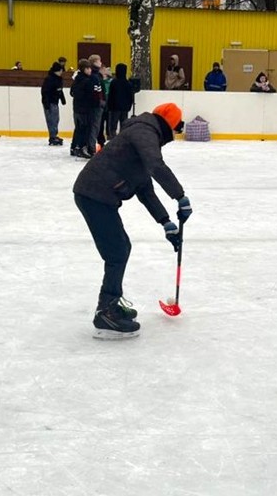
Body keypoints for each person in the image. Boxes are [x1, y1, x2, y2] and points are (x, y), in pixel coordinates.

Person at [72, 102, 191, 339]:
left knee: (121, 248)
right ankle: (106, 313)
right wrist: (180, 196)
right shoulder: (144, 132)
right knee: (117, 252)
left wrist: (166, 223)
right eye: (177, 128)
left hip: (97, 194)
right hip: (94, 194)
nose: (175, 134)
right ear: (169, 125)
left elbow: (145, 188)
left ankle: (112, 302)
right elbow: (156, 166)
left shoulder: (142, 134)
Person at [70, 59, 99, 158]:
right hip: (85, 109)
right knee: (85, 129)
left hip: (77, 108)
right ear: (84, 69)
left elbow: (72, 92)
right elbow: (91, 95)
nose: (90, 70)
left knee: (78, 129)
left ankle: (74, 147)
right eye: (88, 68)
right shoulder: (88, 81)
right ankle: (81, 148)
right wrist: (95, 103)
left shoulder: (77, 79)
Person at [40, 59, 67, 146]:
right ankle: (52, 136)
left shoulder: (59, 79)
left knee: (56, 119)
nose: (62, 72)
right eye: (61, 70)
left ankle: (54, 135)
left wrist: (62, 99)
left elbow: (59, 90)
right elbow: (45, 92)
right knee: (51, 120)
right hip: (49, 102)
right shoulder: (49, 79)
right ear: (57, 71)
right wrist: (46, 103)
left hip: (55, 102)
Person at [106, 62, 134, 137]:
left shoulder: (114, 82)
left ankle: (113, 138)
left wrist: (109, 106)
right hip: (124, 108)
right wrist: (129, 106)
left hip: (114, 108)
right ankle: (122, 139)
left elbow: (110, 96)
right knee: (123, 125)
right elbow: (131, 97)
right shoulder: (128, 83)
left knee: (113, 126)